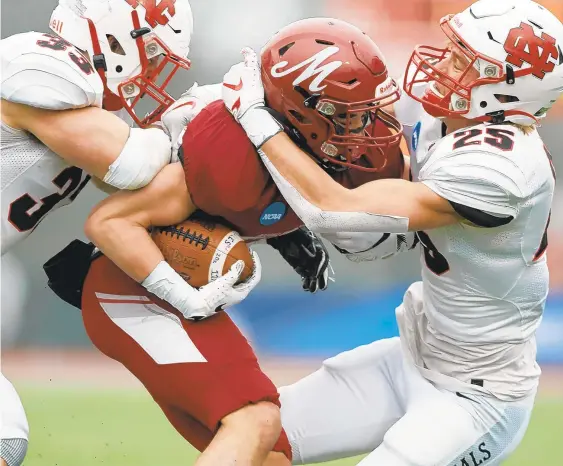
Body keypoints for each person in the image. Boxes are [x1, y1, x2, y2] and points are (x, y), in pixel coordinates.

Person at [46, 17, 411, 466]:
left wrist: (286, 232)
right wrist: (185, 297)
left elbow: (275, 183)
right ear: (304, 109)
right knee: (255, 421)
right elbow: (108, 222)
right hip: (132, 294)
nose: (364, 124)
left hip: (161, 299)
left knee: (268, 455)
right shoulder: (227, 150)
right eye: (349, 112)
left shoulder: (285, 140)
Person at [222, 1, 561, 464]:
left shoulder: (504, 167)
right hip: (412, 355)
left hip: (476, 398)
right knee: (253, 437)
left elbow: (335, 210)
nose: (443, 64)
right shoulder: (448, 124)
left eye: (463, 61)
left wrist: (256, 119)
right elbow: (370, 223)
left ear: (507, 89)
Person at [0, 1, 196, 465]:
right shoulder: (44, 62)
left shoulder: (83, 109)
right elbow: (131, 164)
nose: (150, 69)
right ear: (113, 34)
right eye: (150, 50)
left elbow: (156, 182)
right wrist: (179, 131)